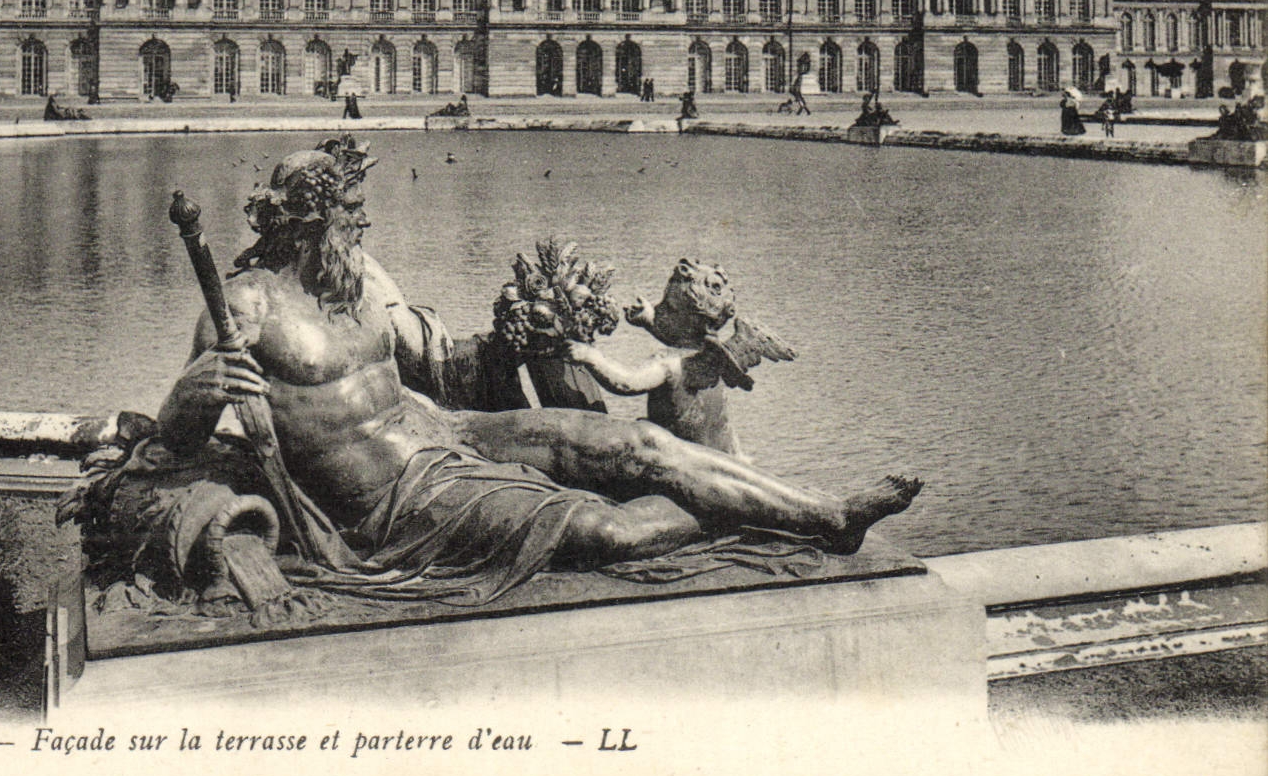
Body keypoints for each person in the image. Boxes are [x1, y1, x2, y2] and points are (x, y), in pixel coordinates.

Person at [155, 138, 921, 588]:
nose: (366, 223)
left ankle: (825, 515)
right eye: (352, 214)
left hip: (447, 434)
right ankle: (750, 514)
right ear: (311, 221)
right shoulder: (247, 304)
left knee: (638, 445)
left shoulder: (353, 283)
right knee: (608, 532)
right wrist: (196, 393)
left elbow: (431, 358)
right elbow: (176, 439)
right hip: (389, 499)